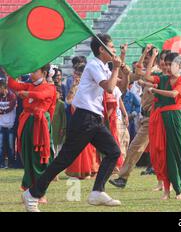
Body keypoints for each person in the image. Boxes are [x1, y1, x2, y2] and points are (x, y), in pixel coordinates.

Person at [22, 34, 129, 212]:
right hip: (84, 118)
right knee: (64, 160)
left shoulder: (103, 66)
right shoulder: (94, 65)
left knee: (113, 152)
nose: (115, 49)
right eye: (112, 46)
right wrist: (117, 67)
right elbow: (109, 88)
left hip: (94, 118)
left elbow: (121, 87)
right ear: (101, 49)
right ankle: (32, 194)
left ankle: (97, 192)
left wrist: (123, 69)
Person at [109, 45, 161, 188]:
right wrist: (142, 53)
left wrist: (152, 57)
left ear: (155, 58)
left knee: (135, 147)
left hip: (152, 116)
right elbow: (135, 73)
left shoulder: (158, 72)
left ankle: (123, 178)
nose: (145, 61)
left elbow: (142, 74)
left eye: (148, 58)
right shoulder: (148, 71)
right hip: (146, 116)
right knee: (161, 148)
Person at [144, 52, 181, 200]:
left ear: (179, 65)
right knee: (162, 153)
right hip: (161, 118)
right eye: (166, 63)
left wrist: (154, 90)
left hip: (174, 118)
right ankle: (166, 189)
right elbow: (146, 77)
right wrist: (152, 56)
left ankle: (179, 190)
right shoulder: (163, 78)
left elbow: (173, 94)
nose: (168, 67)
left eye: (171, 64)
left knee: (176, 153)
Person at [7, 65, 56, 195]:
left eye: (35, 71)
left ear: (44, 73)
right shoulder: (30, 85)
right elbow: (13, 84)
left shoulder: (50, 87)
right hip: (27, 121)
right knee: (27, 154)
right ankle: (30, 187)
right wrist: (11, 71)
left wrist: (28, 94)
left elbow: (42, 95)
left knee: (38, 156)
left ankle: (39, 191)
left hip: (40, 124)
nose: (31, 74)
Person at [65, 63, 99, 180]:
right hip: (76, 117)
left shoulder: (90, 85)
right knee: (79, 146)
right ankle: (81, 171)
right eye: (75, 73)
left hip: (88, 117)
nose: (76, 76)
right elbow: (68, 101)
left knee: (89, 147)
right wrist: (73, 86)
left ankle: (90, 170)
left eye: (78, 74)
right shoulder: (75, 86)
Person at [0, 79, 17, 168]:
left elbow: (10, 107)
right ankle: (1, 163)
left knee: (11, 146)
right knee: (1, 146)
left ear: (5, 87)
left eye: (0, 88)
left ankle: (11, 164)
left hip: (10, 125)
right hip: (1, 125)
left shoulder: (12, 96)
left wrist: (2, 111)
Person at [51, 86, 67, 158]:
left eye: (56, 93)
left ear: (60, 94)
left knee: (58, 144)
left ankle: (57, 159)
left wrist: (63, 128)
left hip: (59, 128)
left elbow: (64, 118)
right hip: (51, 127)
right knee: (52, 143)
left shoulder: (61, 104)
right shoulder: (50, 103)